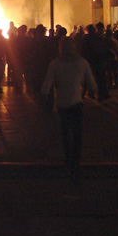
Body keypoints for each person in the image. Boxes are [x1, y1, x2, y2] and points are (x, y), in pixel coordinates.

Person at [41, 36, 97, 183]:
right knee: (78, 132)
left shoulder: (55, 64)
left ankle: (68, 158)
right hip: (77, 102)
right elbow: (92, 83)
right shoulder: (82, 63)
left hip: (62, 103)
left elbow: (47, 84)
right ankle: (76, 161)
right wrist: (90, 89)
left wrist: (45, 95)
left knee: (65, 132)